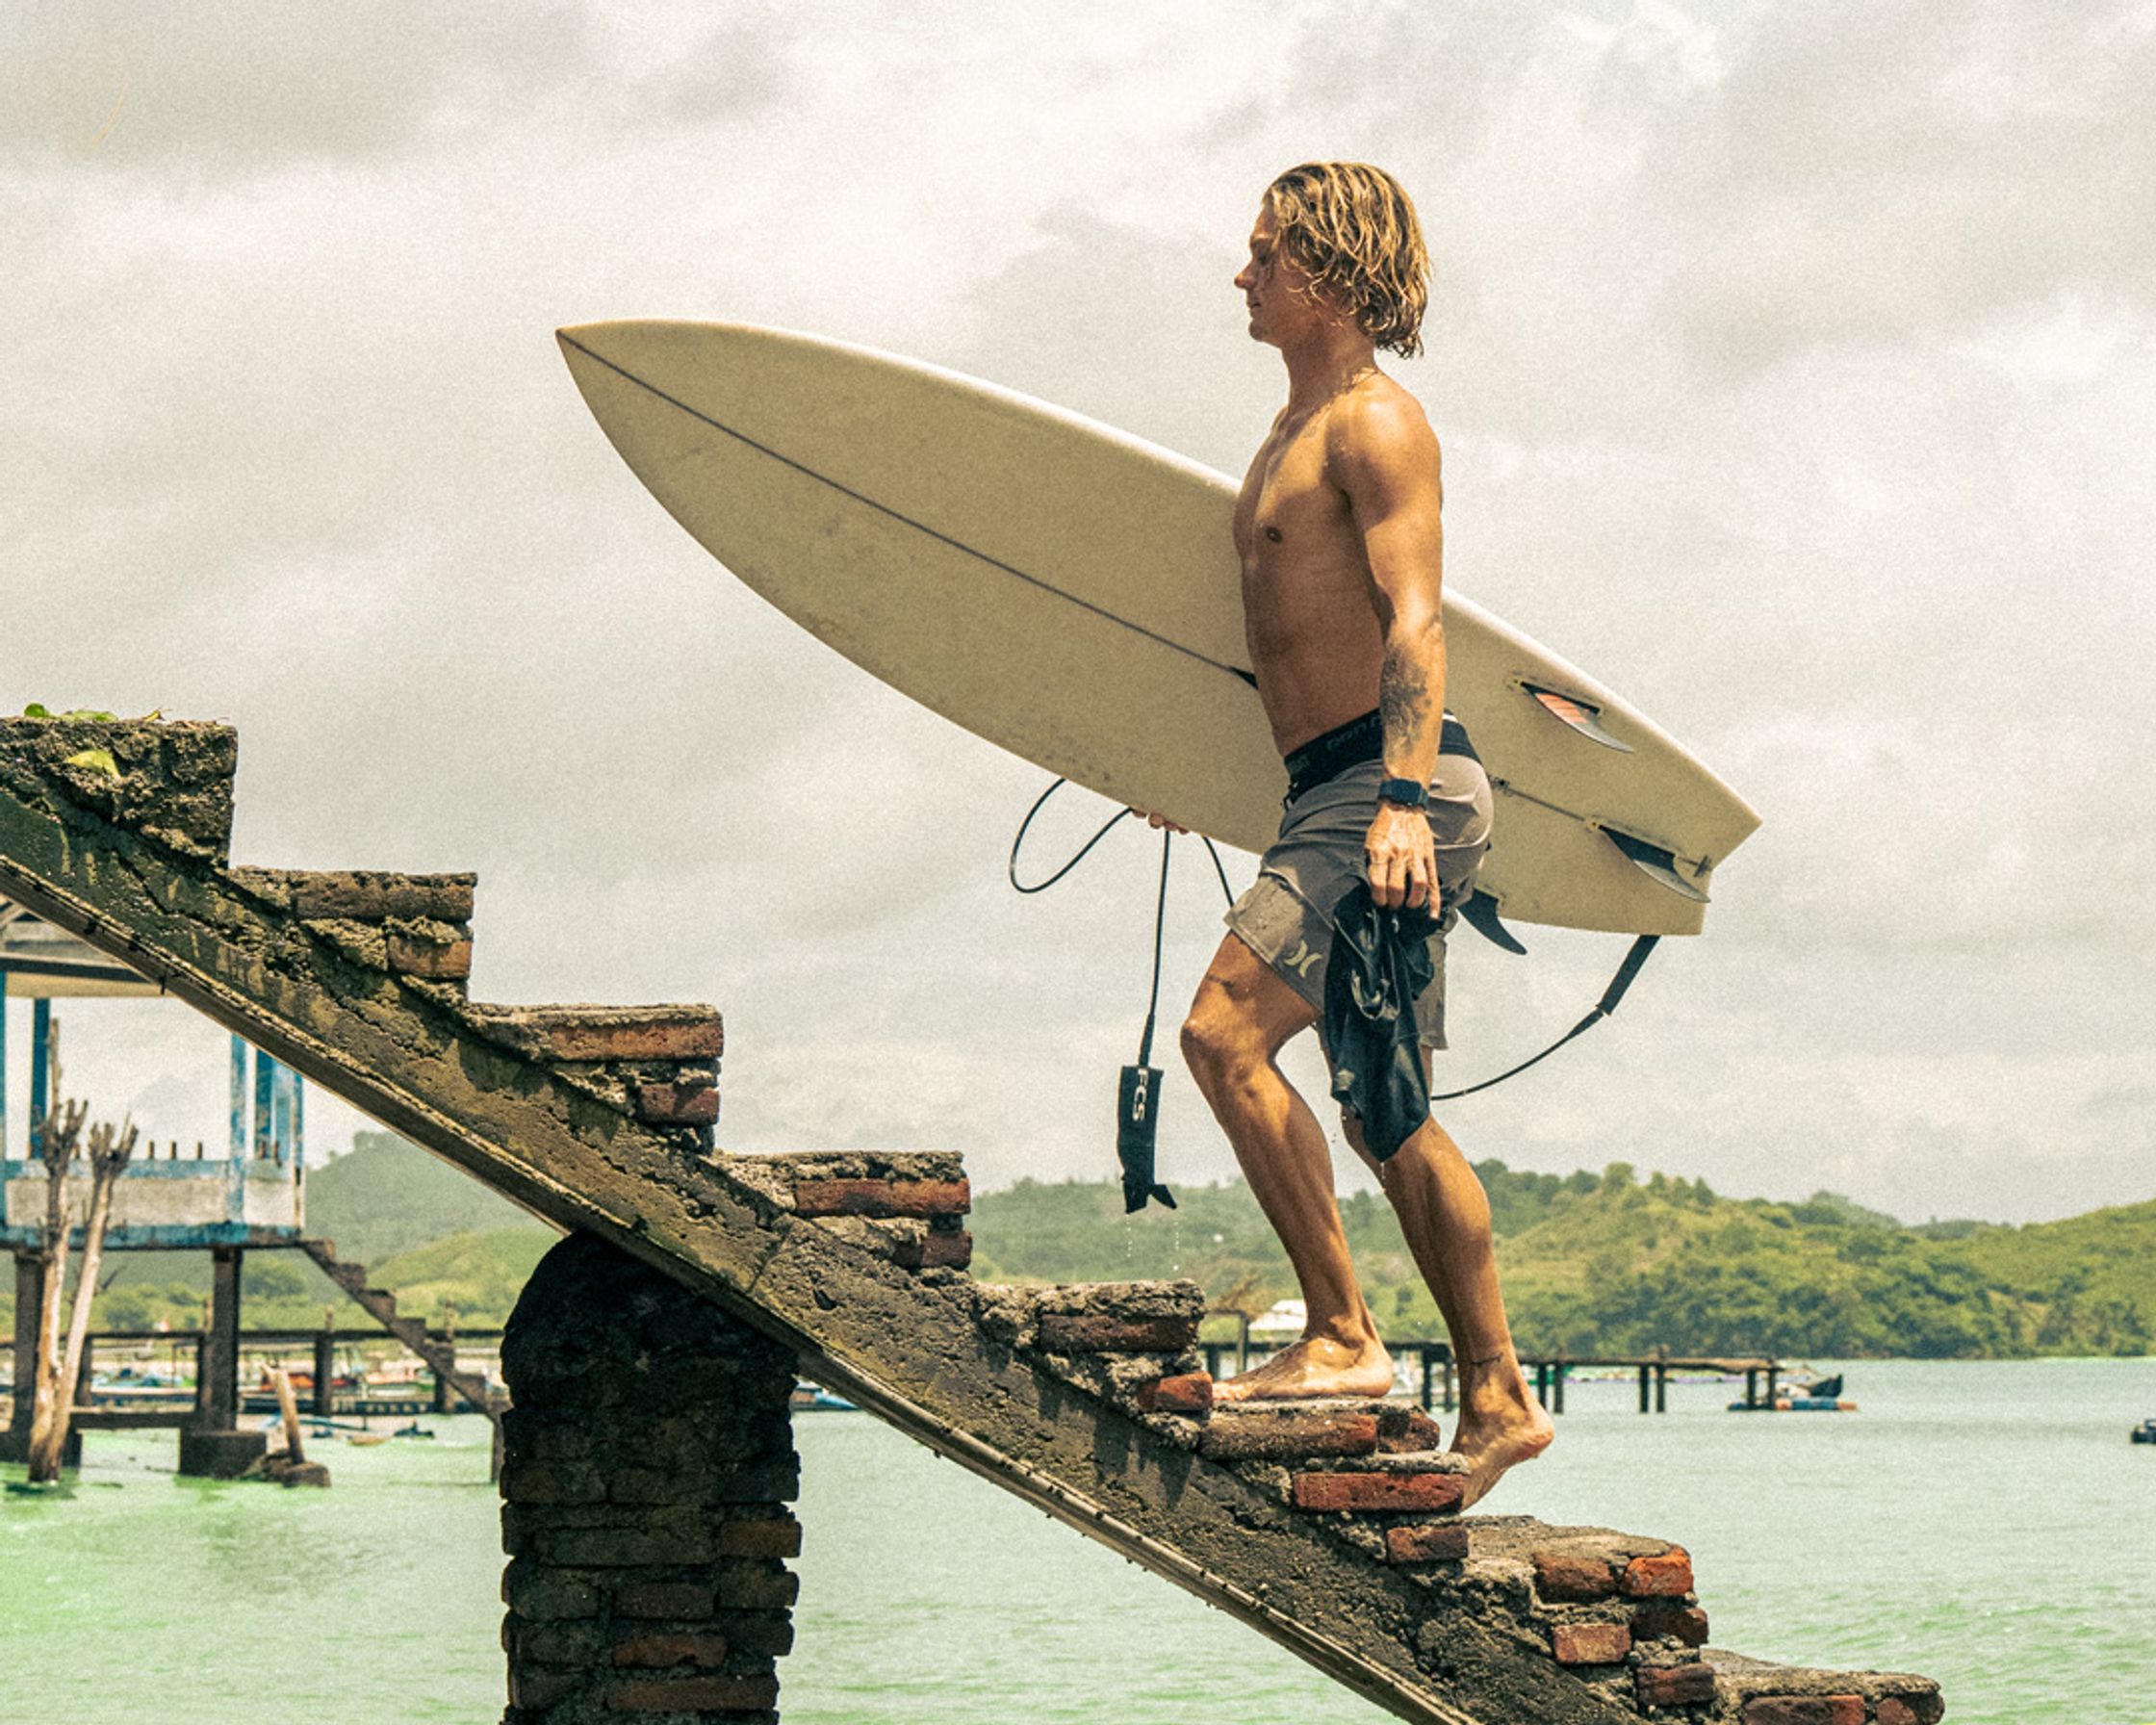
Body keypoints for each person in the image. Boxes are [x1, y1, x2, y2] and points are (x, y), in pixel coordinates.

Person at [1172, 161, 1552, 1507]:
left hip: (1390, 793)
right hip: (1328, 790)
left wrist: (1395, 799)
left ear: (1328, 272)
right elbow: (1283, 654)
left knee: (1221, 1038)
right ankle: (1500, 1398)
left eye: (1267, 252)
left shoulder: (1376, 425)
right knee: (1384, 1107)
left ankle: (1341, 1340)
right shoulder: (1285, 436)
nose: (1244, 274)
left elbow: (1414, 624)